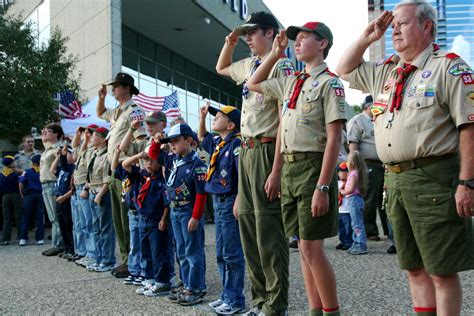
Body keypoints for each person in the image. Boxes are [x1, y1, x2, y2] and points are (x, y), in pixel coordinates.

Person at [336, 1, 474, 314]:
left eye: (402, 23)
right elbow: (343, 69)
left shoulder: (448, 66)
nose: (394, 29)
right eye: (392, 24)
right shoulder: (387, 70)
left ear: (426, 26)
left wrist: (467, 181)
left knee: (441, 269)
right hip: (395, 179)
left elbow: (469, 126)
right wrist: (366, 38)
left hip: (434, 178)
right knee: (413, 267)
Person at [246, 21, 346, 316]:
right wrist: (275, 55)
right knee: (303, 248)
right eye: (295, 40)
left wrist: (323, 187)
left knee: (313, 249)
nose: (297, 43)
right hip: (290, 169)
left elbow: (334, 139)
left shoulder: (330, 83)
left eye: (304, 38)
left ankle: (331, 312)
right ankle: (316, 310)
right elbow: (253, 83)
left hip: (313, 168)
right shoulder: (292, 81)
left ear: (323, 43)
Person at [215, 11, 294, 315]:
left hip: (266, 148)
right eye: (245, 33)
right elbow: (221, 67)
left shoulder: (282, 65)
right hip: (245, 150)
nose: (248, 38)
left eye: (253, 32)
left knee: (268, 232)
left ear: (272, 33)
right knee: (248, 229)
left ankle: (275, 305)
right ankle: (260, 302)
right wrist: (229, 42)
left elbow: (285, 120)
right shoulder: (250, 65)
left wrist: (276, 170)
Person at [198, 103, 246, 314]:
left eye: (219, 116)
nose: (214, 118)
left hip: (229, 201)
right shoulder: (219, 143)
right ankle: (226, 295)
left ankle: (235, 299)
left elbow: (242, 175)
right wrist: (201, 117)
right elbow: (202, 138)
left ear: (231, 124)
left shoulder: (236, 144)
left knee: (232, 253)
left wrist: (239, 200)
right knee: (220, 252)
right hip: (218, 202)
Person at [153, 123, 207, 306]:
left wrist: (196, 217)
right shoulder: (173, 160)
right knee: (181, 250)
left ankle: (196, 287)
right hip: (175, 210)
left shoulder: (196, 163)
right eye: (170, 142)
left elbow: (201, 193)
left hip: (188, 211)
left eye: (176, 141)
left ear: (189, 140)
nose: (172, 145)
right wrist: (158, 141)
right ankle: (186, 284)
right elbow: (154, 154)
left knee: (193, 251)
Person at [96, 72, 144, 278]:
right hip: (114, 171)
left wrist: (123, 150)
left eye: (116, 86)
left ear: (126, 88)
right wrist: (101, 97)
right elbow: (100, 113)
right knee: (118, 218)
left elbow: (142, 140)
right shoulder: (117, 111)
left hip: (126, 171)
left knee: (126, 217)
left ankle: (131, 261)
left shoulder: (134, 110)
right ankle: (125, 258)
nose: (113, 89)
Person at [122, 148, 172, 297]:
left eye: (152, 160)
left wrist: (164, 219)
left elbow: (166, 203)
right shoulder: (141, 176)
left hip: (156, 222)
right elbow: (125, 164)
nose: (148, 164)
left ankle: (162, 282)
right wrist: (138, 155)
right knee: (146, 252)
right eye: (146, 161)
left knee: (158, 253)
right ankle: (149, 279)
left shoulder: (162, 180)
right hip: (142, 220)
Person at [346, 95, 387, 240]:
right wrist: (355, 167)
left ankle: (389, 231)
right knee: (369, 199)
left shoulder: (380, 119)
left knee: (385, 200)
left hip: (384, 164)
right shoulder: (358, 120)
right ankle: (370, 231)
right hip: (368, 164)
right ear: (369, 106)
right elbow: (353, 144)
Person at [85, 127, 116, 272]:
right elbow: (89, 174)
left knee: (105, 228)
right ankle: (99, 259)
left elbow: (108, 178)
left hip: (101, 193)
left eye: (95, 136)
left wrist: (99, 194)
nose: (91, 137)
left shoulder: (106, 156)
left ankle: (108, 260)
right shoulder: (94, 154)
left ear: (103, 139)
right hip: (92, 191)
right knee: (96, 228)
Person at [40, 123, 64, 256]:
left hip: (52, 183)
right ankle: (56, 244)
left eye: (49, 131)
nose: (45, 133)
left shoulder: (57, 148)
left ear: (56, 134)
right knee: (52, 217)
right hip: (44, 184)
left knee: (55, 217)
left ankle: (58, 245)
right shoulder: (48, 148)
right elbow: (44, 137)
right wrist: (44, 131)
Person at [340, 151, 368, 255]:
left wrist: (342, 192)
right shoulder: (357, 173)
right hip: (356, 199)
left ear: (351, 163)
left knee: (356, 223)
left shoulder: (353, 175)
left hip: (353, 200)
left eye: (347, 162)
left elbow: (350, 189)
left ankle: (360, 244)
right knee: (355, 223)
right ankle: (356, 242)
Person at [50, 145, 76, 258]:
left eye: (68, 153)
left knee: (68, 224)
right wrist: (58, 156)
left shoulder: (71, 168)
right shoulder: (62, 169)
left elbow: (73, 188)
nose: (66, 155)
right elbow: (52, 169)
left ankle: (72, 248)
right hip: (59, 200)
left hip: (66, 199)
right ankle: (67, 248)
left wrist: (64, 197)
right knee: (62, 225)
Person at [18, 154, 45, 246]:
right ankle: (40, 238)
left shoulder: (26, 171)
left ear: (32, 162)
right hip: (40, 195)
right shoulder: (43, 171)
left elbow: (21, 183)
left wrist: (22, 194)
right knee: (39, 217)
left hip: (29, 195)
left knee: (26, 217)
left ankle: (23, 238)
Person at [1, 156, 22, 245]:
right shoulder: (16, 174)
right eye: (13, 161)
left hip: (4, 197)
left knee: (6, 218)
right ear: (11, 163)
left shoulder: (1, 174)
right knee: (19, 216)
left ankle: (6, 238)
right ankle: (21, 236)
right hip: (16, 195)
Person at [335, 162, 352, 251]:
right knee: (340, 228)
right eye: (339, 172)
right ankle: (342, 241)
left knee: (348, 227)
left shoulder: (350, 183)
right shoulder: (337, 183)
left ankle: (349, 242)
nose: (340, 174)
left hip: (348, 209)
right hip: (339, 209)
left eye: (343, 172)